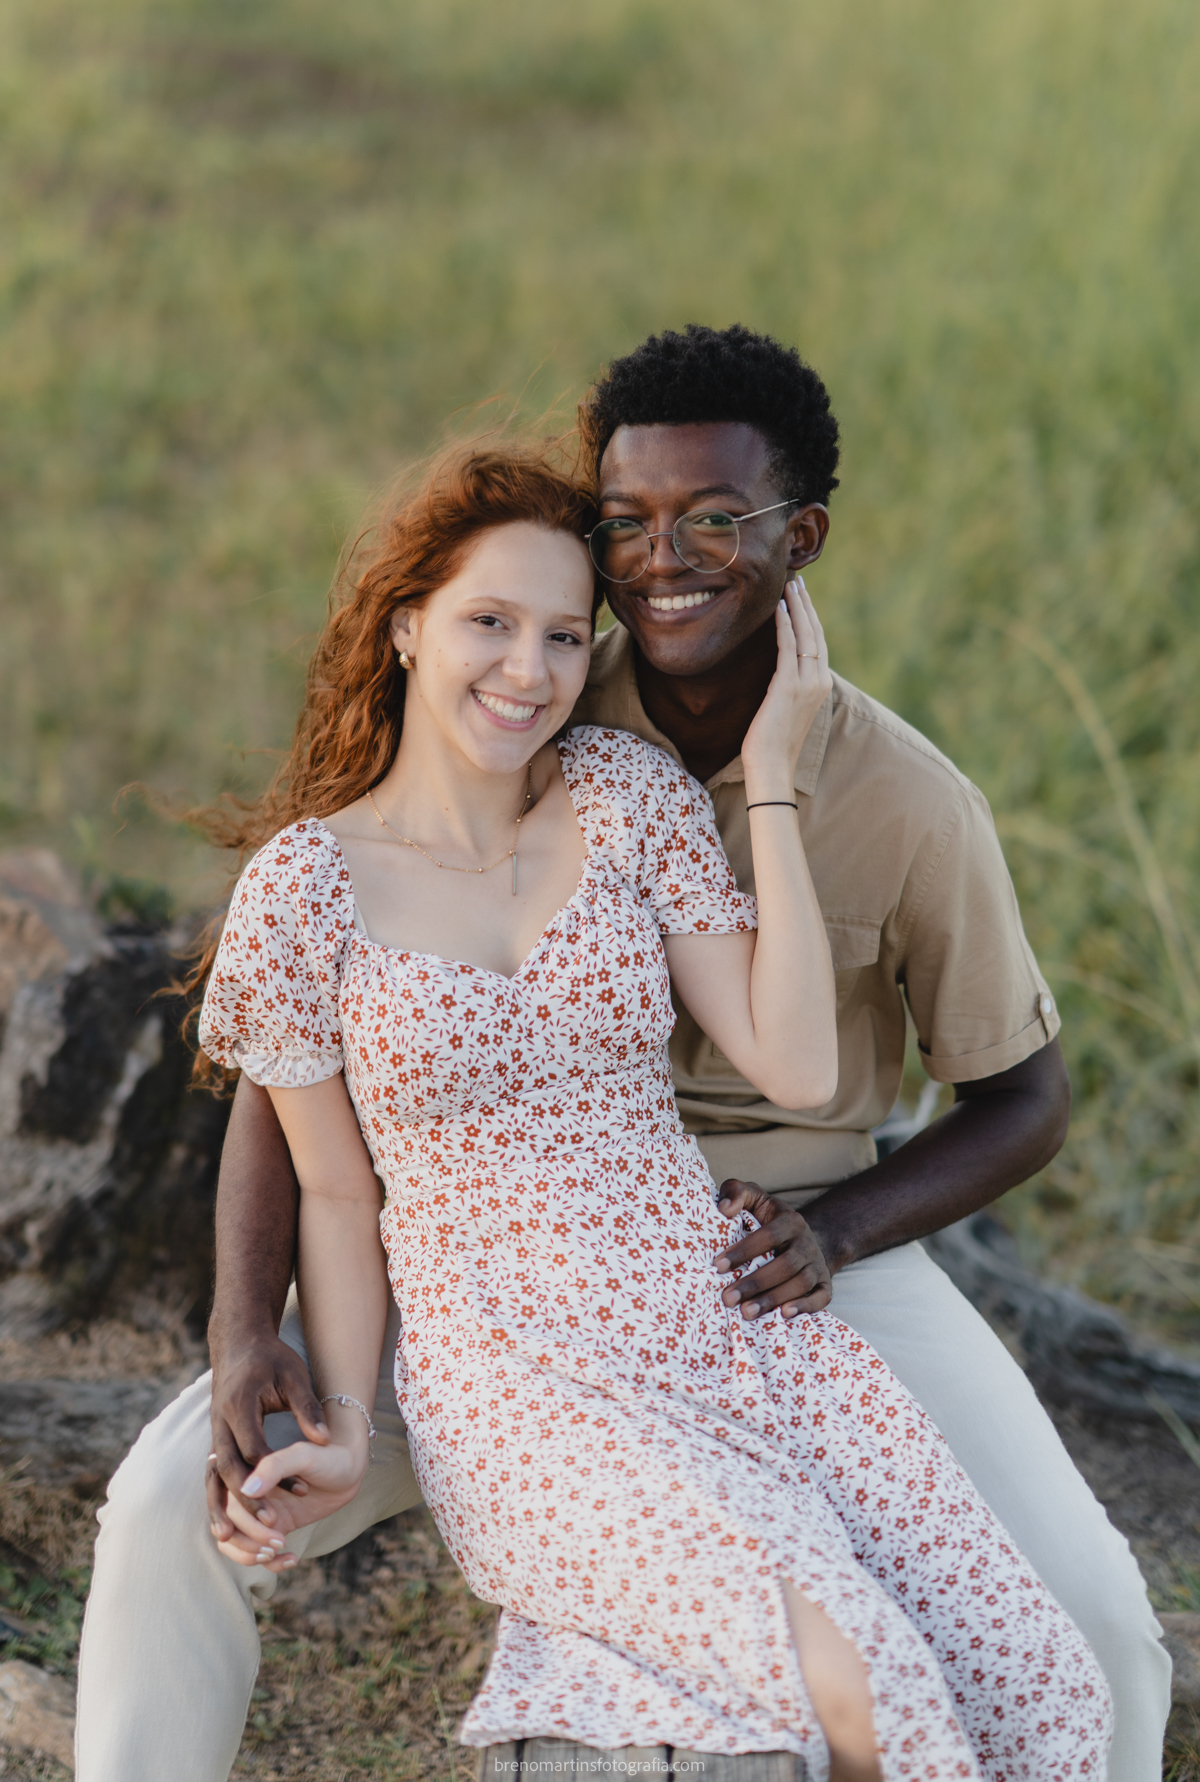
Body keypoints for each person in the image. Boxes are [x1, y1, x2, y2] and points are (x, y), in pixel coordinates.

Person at [73, 327, 1165, 1782]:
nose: (659, 566)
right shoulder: (524, 711)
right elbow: (309, 1100)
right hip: (480, 1301)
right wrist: (243, 1325)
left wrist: (834, 1232)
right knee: (173, 1499)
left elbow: (1013, 1096)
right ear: (418, 624)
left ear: (799, 540)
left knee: (1081, 1635)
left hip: (776, 1255)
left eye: (712, 521)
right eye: (625, 527)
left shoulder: (875, 798)